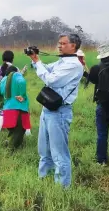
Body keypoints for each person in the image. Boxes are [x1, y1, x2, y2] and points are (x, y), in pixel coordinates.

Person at [29, 33, 83, 188]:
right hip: (48, 110)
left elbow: (51, 79)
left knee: (59, 154)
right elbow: (46, 69)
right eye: (59, 43)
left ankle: (62, 189)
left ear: (73, 46)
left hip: (59, 112)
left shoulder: (73, 65)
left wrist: (38, 62)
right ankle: (43, 180)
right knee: (44, 151)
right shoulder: (62, 61)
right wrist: (35, 59)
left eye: (63, 43)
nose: (59, 46)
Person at [0, 50, 29, 134]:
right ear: (12, 59)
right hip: (15, 98)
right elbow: (19, 82)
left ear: (3, 59)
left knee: (2, 114)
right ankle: (27, 134)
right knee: (21, 116)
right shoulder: (15, 69)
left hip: (2, 97)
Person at [0, 66, 31, 150]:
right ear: (15, 71)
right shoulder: (16, 75)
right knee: (19, 131)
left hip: (7, 111)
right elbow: (22, 82)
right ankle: (10, 151)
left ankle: (11, 145)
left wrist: (0, 101)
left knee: (14, 131)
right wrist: (22, 95)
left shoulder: (2, 80)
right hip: (19, 110)